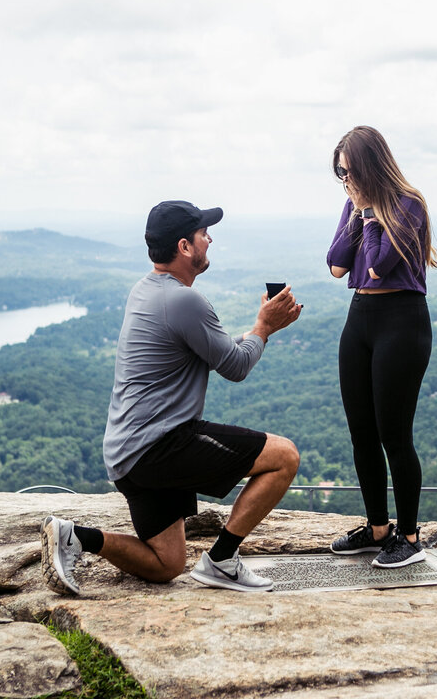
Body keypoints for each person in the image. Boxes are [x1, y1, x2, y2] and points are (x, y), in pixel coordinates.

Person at [41, 200, 303, 594]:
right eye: (203, 234)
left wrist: (255, 333)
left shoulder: (146, 291)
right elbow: (234, 367)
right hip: (160, 446)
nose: (209, 239)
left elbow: (215, 350)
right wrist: (263, 328)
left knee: (167, 564)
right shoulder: (184, 300)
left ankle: (75, 538)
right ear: (184, 247)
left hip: (126, 455)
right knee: (284, 457)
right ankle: (222, 561)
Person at [325, 126, 437, 568]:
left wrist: (369, 215)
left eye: (349, 171)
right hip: (360, 320)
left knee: (394, 434)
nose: (345, 180)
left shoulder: (408, 205)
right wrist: (358, 214)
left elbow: (375, 267)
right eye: (340, 173)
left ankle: (408, 537)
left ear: (371, 165)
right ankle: (377, 529)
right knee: (362, 432)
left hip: (402, 321)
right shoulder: (356, 206)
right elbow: (336, 265)